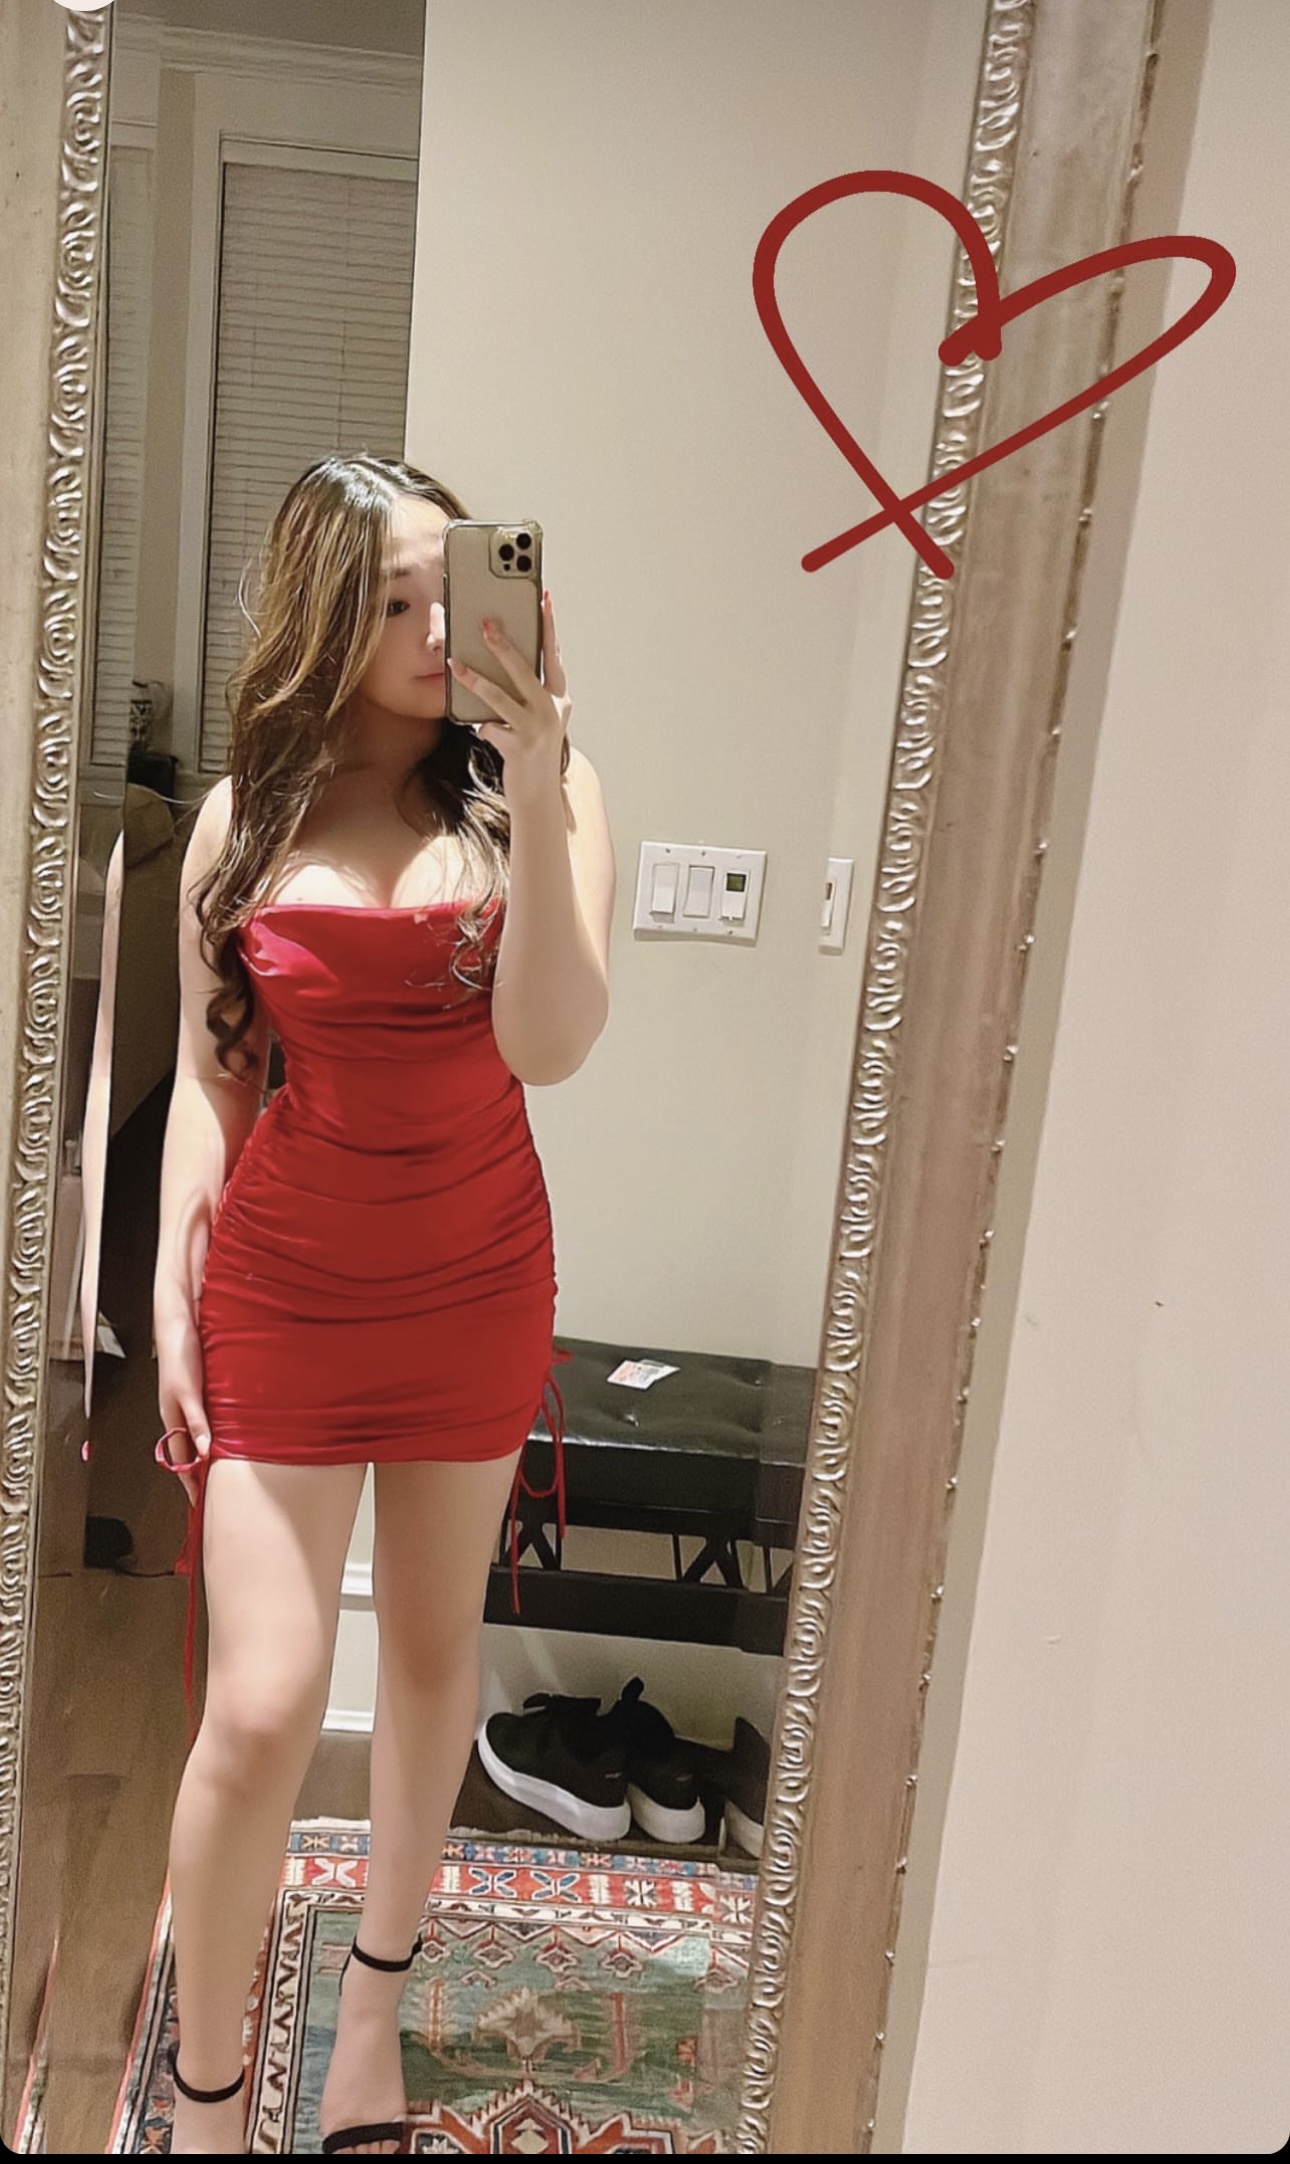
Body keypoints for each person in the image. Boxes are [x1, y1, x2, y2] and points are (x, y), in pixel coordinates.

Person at [149, 455, 615, 2155]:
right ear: (325, 615)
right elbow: (211, 1083)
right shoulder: (243, 819)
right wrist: (168, 1286)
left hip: (474, 1282)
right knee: (263, 1703)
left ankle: (368, 2018)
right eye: (393, 599)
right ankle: (206, 2097)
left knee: (427, 1663)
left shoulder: (543, 796)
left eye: (452, 588)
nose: (432, 628)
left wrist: (541, 775)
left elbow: (547, 1046)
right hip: (283, 1290)